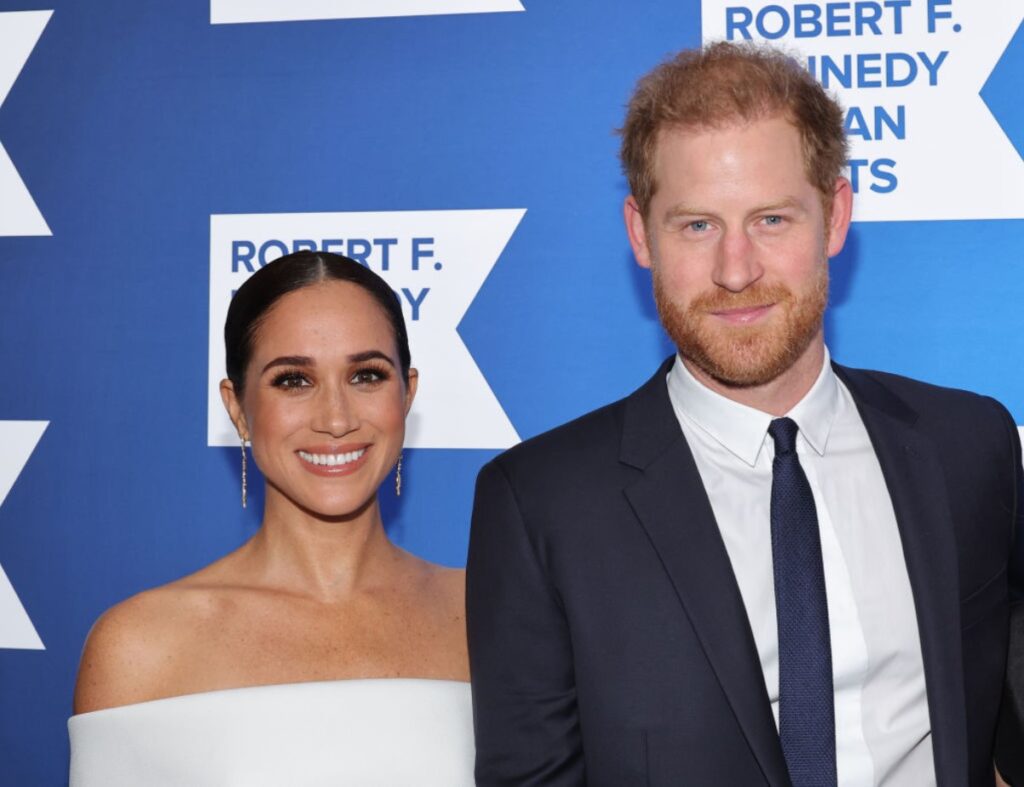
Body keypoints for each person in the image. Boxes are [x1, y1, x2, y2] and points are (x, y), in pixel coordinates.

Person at [467, 42, 1023, 786]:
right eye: (696, 225)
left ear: (835, 216)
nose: (736, 270)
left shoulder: (970, 445)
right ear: (640, 234)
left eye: (770, 219)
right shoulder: (541, 504)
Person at [69, 251, 474, 785]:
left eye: (367, 375)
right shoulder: (141, 646)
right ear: (237, 408)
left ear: (407, 394)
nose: (336, 419)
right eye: (293, 381)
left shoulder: (489, 614)